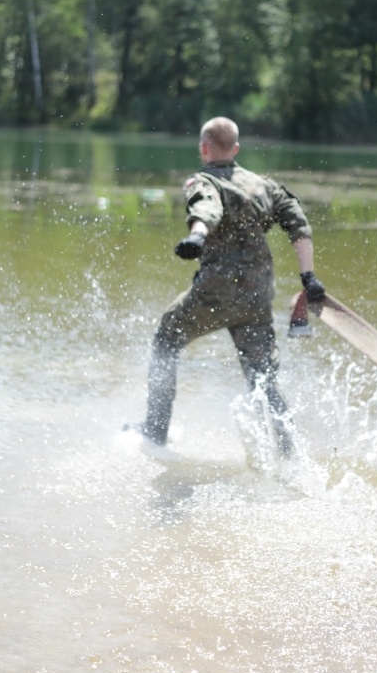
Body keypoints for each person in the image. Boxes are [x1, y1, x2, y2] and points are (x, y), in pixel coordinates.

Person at [135, 116, 325, 455]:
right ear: (236, 149)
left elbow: (206, 206)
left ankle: (154, 432)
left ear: (203, 149)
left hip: (215, 293)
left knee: (166, 339)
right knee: (263, 379)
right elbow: (299, 224)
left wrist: (197, 235)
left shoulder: (204, 180)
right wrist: (308, 277)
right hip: (257, 297)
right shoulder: (264, 186)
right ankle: (291, 453)